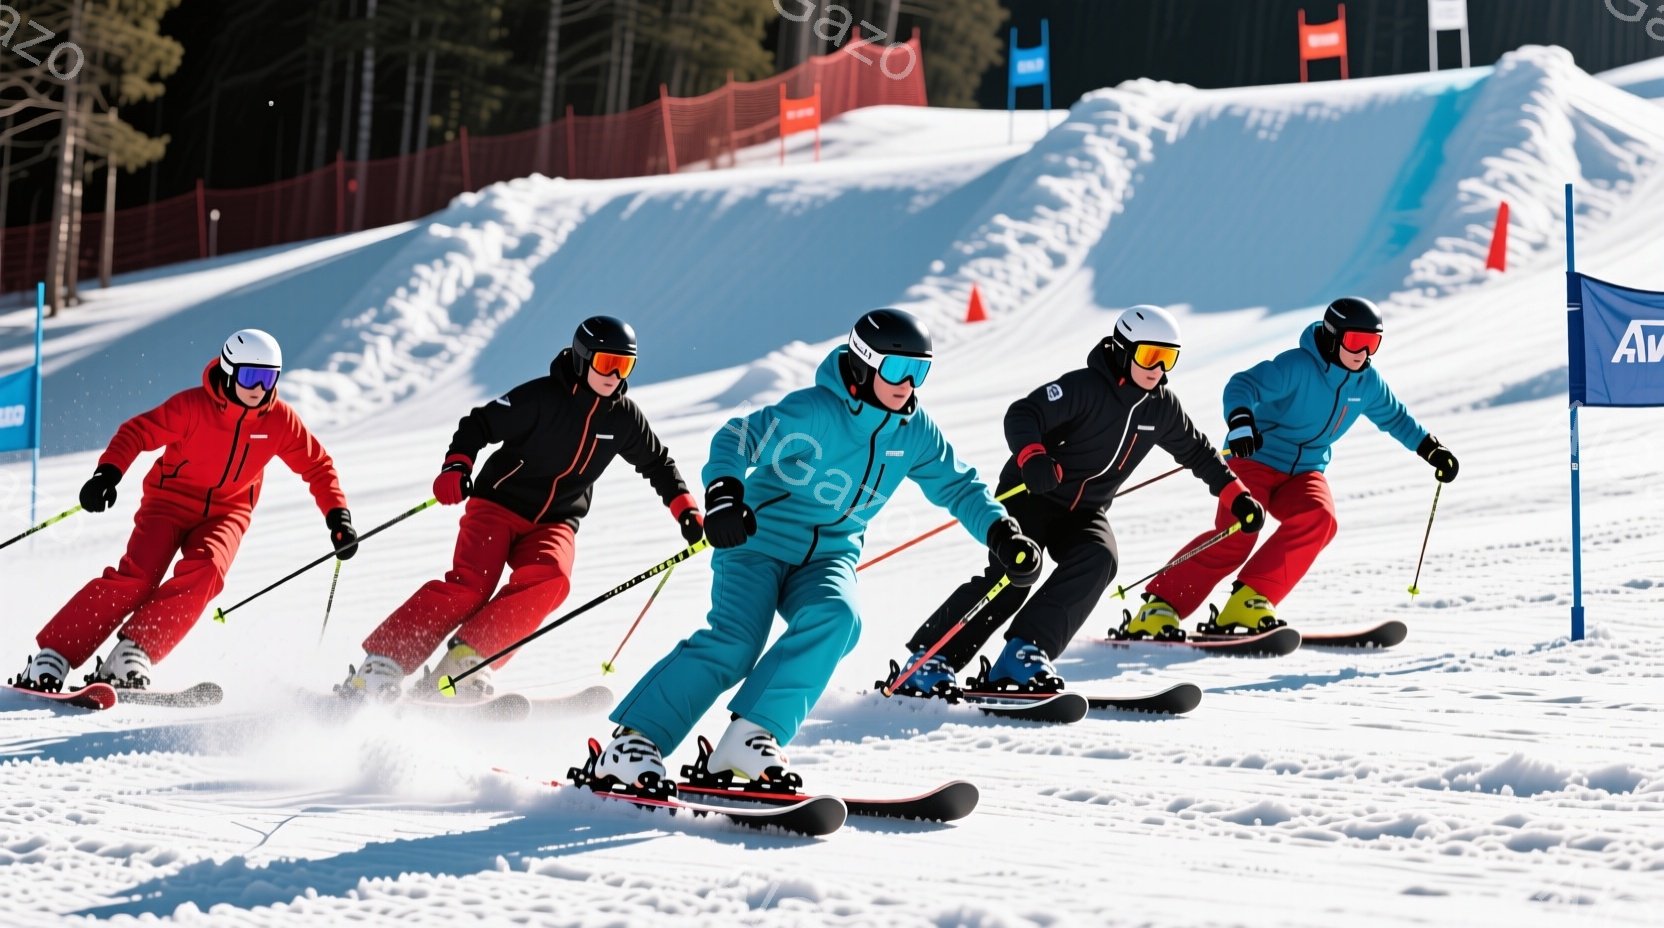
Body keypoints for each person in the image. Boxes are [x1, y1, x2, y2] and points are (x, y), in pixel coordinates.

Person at [580, 308, 1040, 795]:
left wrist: (1001, 534)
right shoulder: (818, 412)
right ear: (864, 363)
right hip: (756, 542)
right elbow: (740, 437)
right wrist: (724, 497)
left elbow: (960, 487)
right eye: (898, 369)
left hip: (829, 557)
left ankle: (752, 735)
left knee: (839, 618)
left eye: (920, 371)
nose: (908, 384)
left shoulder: (914, 431)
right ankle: (633, 743)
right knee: (736, 642)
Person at [893, 305, 1264, 695]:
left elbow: (1200, 453)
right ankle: (927, 660)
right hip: (1033, 496)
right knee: (1017, 573)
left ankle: (1023, 654)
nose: (1158, 368)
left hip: (1085, 512)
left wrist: (1237, 497)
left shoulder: (1161, 407)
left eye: (1168, 357)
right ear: (1123, 349)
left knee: (1100, 557)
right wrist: (1033, 457)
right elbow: (1023, 414)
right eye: (1149, 355)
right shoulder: (1084, 388)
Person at [338, 316, 702, 701]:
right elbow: (478, 425)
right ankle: (380, 667)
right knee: (471, 588)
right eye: (606, 363)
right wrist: (457, 465)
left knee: (552, 578)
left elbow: (658, 464)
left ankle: (464, 666)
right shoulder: (541, 398)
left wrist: (687, 511)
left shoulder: (624, 418)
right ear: (582, 358)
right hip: (498, 504)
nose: (614, 375)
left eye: (624, 366)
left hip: (556, 520)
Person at [11, 330, 355, 692]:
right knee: (138, 578)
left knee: (207, 572)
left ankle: (132, 652)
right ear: (229, 370)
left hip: (229, 511)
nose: (259, 388)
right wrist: (107, 474)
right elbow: (137, 433)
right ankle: (53, 655)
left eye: (268, 378)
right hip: (168, 503)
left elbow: (317, 467)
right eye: (250, 376)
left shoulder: (280, 421)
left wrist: (338, 518)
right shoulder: (192, 407)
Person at [1130, 297, 1459, 636]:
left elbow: (1395, 418)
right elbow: (1243, 384)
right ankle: (1160, 606)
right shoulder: (1299, 366)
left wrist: (1431, 450)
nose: (1364, 353)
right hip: (1255, 459)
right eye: (1356, 342)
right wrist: (1241, 422)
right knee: (1240, 532)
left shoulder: (1367, 384)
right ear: (1333, 337)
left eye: (1373, 343)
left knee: (1320, 518)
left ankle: (1249, 601)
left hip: (1305, 472)